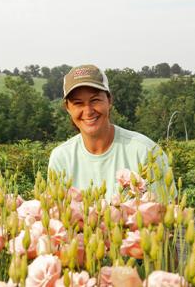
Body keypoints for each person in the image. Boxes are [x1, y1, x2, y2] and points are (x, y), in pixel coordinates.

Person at [48, 64, 172, 201]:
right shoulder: (61, 158)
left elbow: (169, 214)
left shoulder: (145, 151)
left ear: (109, 100)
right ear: (67, 108)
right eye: (78, 103)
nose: (88, 111)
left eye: (95, 100)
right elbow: (56, 215)